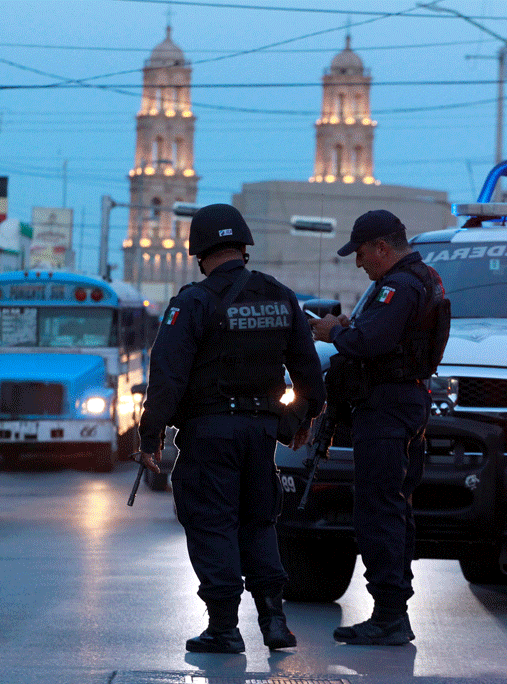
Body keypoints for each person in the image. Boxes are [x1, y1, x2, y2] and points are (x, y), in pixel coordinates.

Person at [137, 203, 326, 654]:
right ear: (244, 247)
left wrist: (149, 437)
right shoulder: (281, 297)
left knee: (212, 523)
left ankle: (224, 628)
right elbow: (310, 377)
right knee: (259, 522)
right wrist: (296, 422)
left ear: (200, 253)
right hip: (260, 435)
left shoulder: (192, 302)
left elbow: (166, 376)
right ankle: (275, 622)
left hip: (208, 435)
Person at [309, 209, 447, 646]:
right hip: (402, 405)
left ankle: (389, 614)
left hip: (387, 410)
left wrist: (333, 332)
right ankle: (392, 611)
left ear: (383, 248)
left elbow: (370, 343)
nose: (359, 262)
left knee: (378, 510)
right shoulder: (422, 279)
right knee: (393, 507)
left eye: (363, 253)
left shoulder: (399, 286)